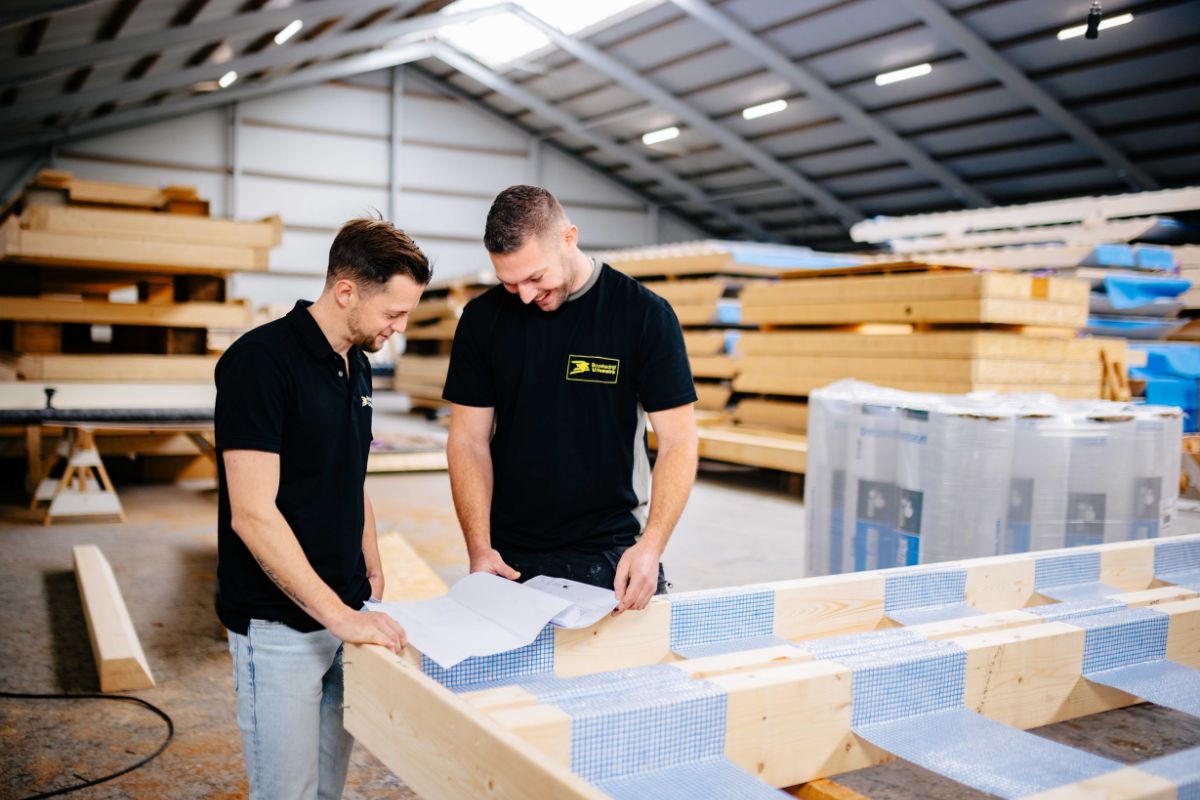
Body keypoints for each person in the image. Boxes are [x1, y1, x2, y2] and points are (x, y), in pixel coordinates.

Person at [214, 217, 429, 799]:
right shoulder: (260, 363)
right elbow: (252, 514)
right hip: (281, 622)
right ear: (346, 291)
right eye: (394, 313)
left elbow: (348, 473)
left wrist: (371, 562)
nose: (399, 329)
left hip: (347, 610)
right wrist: (339, 615)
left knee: (326, 790)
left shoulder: (354, 363)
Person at [444, 185, 699, 614]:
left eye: (535, 277)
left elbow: (679, 441)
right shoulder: (482, 320)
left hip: (613, 555)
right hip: (508, 559)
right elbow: (467, 440)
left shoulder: (643, 316)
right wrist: (479, 547)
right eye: (510, 283)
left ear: (569, 237)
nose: (525, 295)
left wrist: (651, 547)